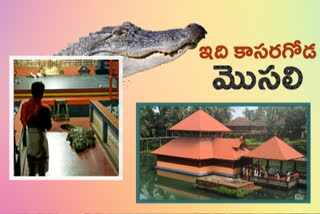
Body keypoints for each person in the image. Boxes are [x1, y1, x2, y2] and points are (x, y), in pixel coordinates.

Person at [20, 82, 52, 176]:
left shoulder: (25, 106)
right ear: (43, 93)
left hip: (30, 138)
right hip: (41, 139)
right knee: (42, 170)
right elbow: (48, 127)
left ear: (31, 91)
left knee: (32, 170)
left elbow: (23, 121)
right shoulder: (45, 108)